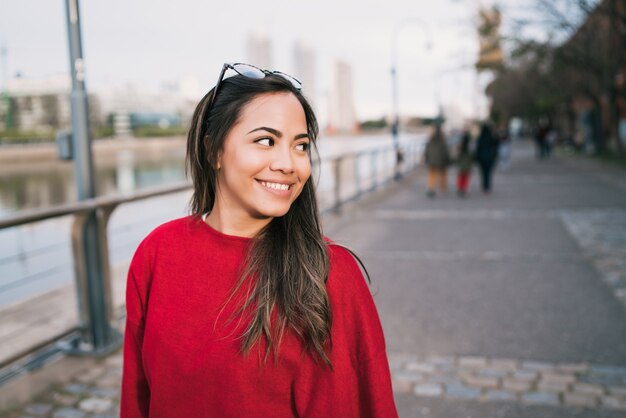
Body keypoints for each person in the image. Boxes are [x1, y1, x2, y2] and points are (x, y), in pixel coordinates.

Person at [120, 63, 398, 418]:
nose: (288, 163)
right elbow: (137, 396)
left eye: (300, 146)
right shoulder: (157, 253)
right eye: (266, 141)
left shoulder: (330, 275)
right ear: (213, 151)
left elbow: (366, 404)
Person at [423, 124, 451, 197]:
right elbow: (445, 152)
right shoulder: (442, 141)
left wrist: (426, 159)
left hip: (432, 161)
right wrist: (447, 160)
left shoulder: (430, 140)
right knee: (442, 175)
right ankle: (442, 188)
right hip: (441, 161)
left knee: (432, 175)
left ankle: (431, 188)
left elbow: (426, 151)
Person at [474, 123, 499, 194]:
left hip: (482, 158)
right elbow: (496, 144)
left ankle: (484, 186)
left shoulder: (480, 138)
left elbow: (477, 148)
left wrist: (477, 158)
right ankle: (487, 186)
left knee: (483, 173)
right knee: (488, 173)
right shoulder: (491, 137)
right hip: (489, 157)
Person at [455, 130, 473, 197]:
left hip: (462, 162)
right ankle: (464, 188)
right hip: (467, 161)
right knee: (466, 175)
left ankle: (460, 187)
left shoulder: (461, 146)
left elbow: (457, 154)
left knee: (461, 175)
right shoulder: (470, 145)